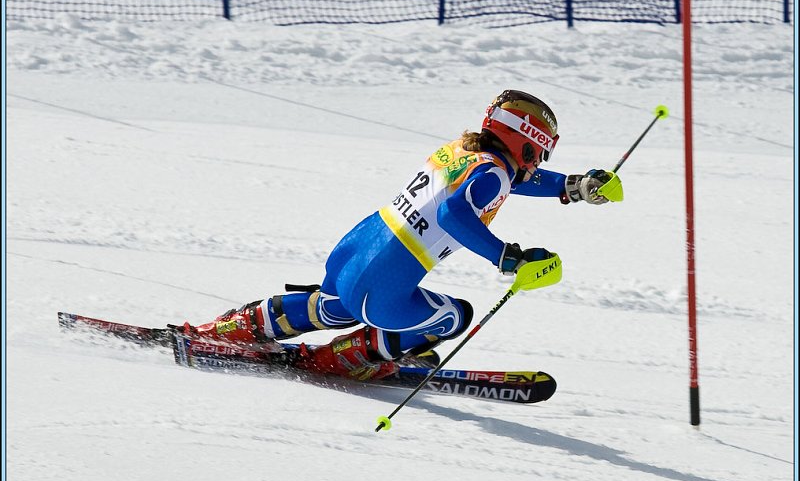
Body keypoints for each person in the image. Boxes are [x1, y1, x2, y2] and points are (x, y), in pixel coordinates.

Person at [181, 89, 619, 380]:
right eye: (539, 152)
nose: (539, 163)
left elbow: (511, 181)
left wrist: (571, 186)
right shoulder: (494, 174)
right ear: (523, 142)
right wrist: (508, 258)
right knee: (454, 316)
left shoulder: (468, 150)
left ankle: (234, 328)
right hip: (383, 283)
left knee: (334, 306)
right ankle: (348, 359)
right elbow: (453, 215)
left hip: (356, 247)